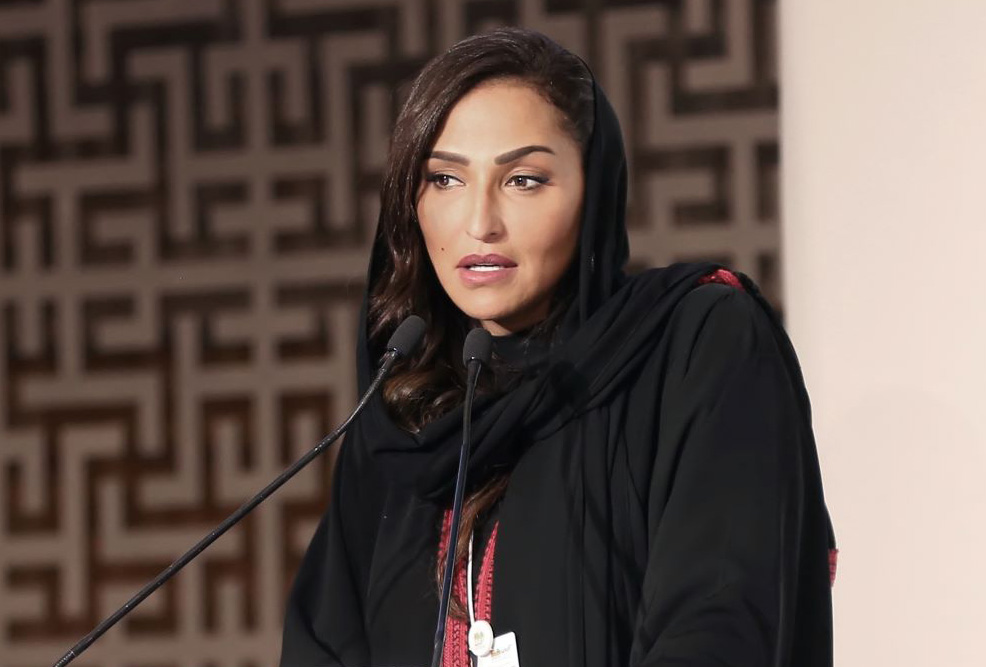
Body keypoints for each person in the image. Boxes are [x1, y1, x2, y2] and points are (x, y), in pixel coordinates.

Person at [279, 26, 836, 667]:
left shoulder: (696, 344)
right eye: (445, 179)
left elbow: (719, 622)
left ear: (593, 191)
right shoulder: (404, 412)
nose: (480, 222)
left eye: (523, 180)